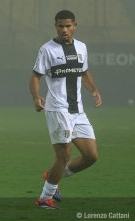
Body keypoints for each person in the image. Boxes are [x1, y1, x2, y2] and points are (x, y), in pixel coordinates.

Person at [29, 10, 102, 209]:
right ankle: (45, 198)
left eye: (68, 26)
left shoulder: (81, 47)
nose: (65, 30)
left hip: (77, 110)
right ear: (56, 27)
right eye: (61, 26)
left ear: (75, 26)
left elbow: (83, 71)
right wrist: (36, 97)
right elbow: (36, 76)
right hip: (58, 110)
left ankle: (54, 177)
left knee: (91, 156)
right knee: (64, 155)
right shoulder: (47, 49)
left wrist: (94, 90)